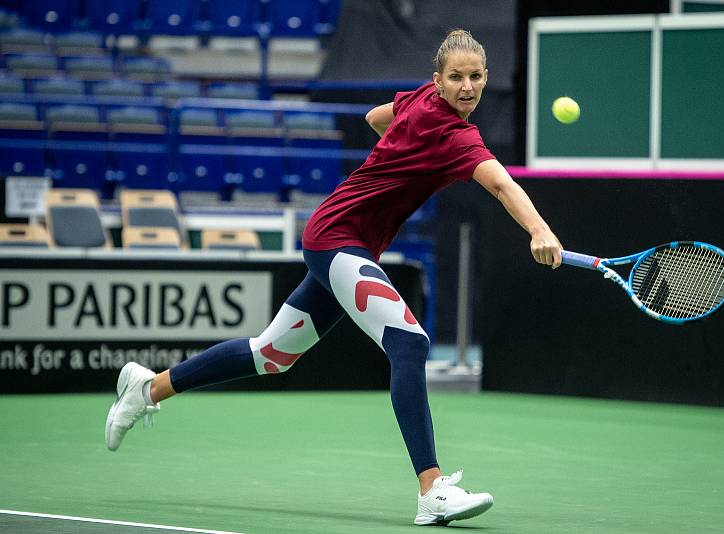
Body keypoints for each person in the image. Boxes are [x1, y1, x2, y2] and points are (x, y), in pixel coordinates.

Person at [105, 29, 563, 526]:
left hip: (341, 236)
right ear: (439, 79)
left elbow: (375, 118)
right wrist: (540, 231)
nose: (466, 87)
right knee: (408, 343)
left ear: (485, 78)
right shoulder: (455, 133)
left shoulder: (421, 100)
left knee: (272, 355)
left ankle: (148, 388)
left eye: (475, 77)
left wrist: (402, 160)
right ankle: (432, 490)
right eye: (456, 77)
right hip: (336, 237)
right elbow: (499, 183)